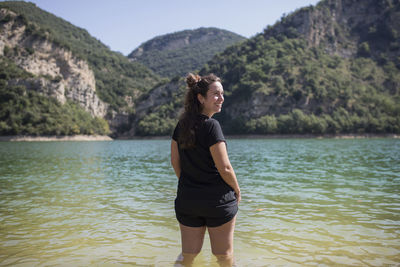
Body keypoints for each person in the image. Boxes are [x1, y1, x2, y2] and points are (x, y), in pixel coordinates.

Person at [170, 73, 241, 266]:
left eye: (222, 94)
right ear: (201, 98)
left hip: (188, 200)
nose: (221, 98)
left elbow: (175, 161)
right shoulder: (212, 126)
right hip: (217, 202)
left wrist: (189, 183)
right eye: (216, 94)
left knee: (187, 255)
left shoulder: (181, 126)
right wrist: (237, 189)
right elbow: (225, 167)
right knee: (224, 256)